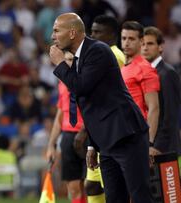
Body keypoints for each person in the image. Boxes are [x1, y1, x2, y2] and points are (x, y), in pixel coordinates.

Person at [47, 13, 153, 203]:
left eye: (56, 30)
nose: (53, 36)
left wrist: (61, 64)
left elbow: (81, 88)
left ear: (72, 33)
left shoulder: (98, 51)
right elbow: (91, 105)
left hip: (126, 135)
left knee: (140, 196)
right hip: (106, 141)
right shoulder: (81, 57)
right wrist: (92, 145)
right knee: (113, 198)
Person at [75, 14, 126, 203]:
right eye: (92, 31)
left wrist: (84, 129)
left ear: (112, 35)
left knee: (111, 185)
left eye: (98, 32)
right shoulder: (100, 53)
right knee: (92, 185)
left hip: (110, 127)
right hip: (99, 127)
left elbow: (107, 96)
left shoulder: (113, 56)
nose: (93, 35)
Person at [47, 51, 86, 203]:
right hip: (68, 137)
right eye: (67, 60)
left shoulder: (86, 81)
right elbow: (59, 115)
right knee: (73, 188)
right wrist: (51, 145)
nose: (70, 63)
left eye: (73, 60)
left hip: (87, 136)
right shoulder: (62, 83)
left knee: (91, 186)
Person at [120, 21, 161, 162]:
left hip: (137, 137)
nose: (126, 43)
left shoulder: (145, 69)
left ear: (141, 41)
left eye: (131, 39)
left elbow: (154, 108)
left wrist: (149, 143)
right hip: (122, 135)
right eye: (124, 38)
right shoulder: (123, 68)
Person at [141, 26, 181, 155]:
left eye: (150, 43)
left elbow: (170, 115)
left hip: (164, 150)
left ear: (161, 47)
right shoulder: (144, 74)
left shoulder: (167, 73)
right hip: (148, 147)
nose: (145, 48)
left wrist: (157, 146)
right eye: (142, 44)